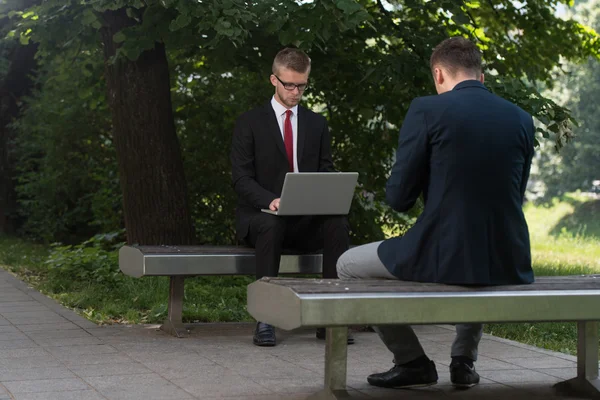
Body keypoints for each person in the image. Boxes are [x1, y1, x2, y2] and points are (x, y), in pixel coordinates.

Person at [336, 37, 535, 389]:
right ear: (482, 77)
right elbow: (513, 197)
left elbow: (399, 199)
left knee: (348, 264)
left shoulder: (427, 110)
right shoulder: (520, 119)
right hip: (507, 255)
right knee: (476, 256)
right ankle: (463, 362)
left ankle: (411, 361)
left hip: (442, 253)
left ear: (439, 74)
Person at [231, 48, 353, 347]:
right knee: (272, 225)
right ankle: (265, 319)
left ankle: (330, 318)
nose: (296, 92)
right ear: (274, 79)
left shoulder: (316, 124)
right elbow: (241, 179)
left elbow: (325, 171)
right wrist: (271, 201)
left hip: (304, 219)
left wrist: (328, 195)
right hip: (263, 218)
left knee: (337, 222)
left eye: (302, 85)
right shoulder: (250, 122)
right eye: (289, 85)